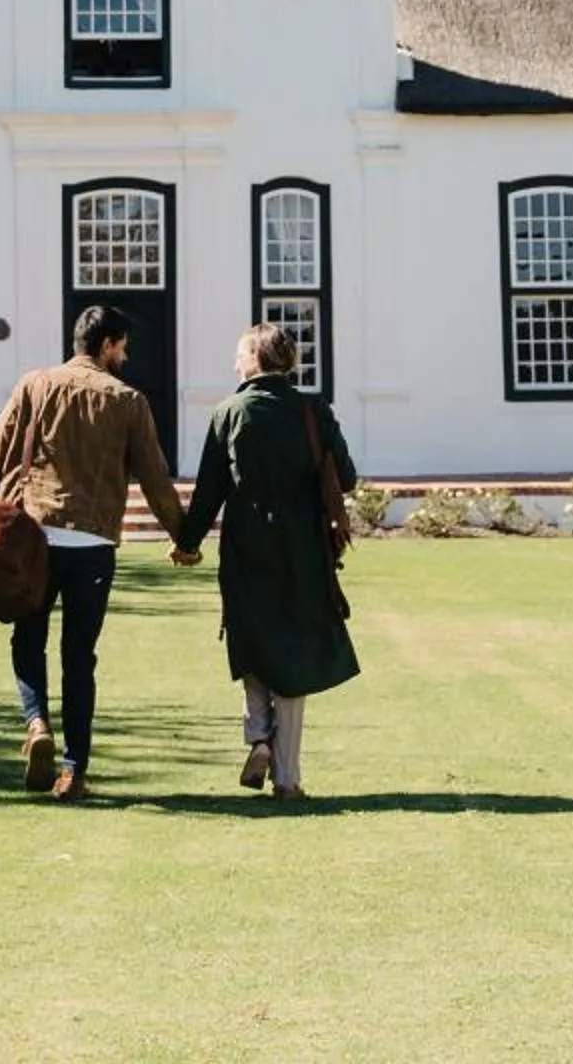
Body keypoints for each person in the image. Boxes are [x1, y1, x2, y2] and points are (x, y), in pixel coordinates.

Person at [0, 303, 190, 802]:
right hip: (93, 544)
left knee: (29, 638)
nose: (127, 357)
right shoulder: (129, 401)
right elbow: (155, 478)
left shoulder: (36, 384)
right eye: (123, 347)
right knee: (79, 657)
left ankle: (36, 723)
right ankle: (73, 770)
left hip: (37, 538)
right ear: (107, 344)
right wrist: (182, 536)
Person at [170, 322, 359, 800]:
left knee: (251, 641)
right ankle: (289, 777)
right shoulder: (313, 409)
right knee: (292, 653)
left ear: (255, 359)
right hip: (303, 548)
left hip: (247, 545)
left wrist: (187, 543)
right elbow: (348, 477)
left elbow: (209, 493)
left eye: (239, 354)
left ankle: (257, 737)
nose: (234, 363)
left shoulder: (229, 412)